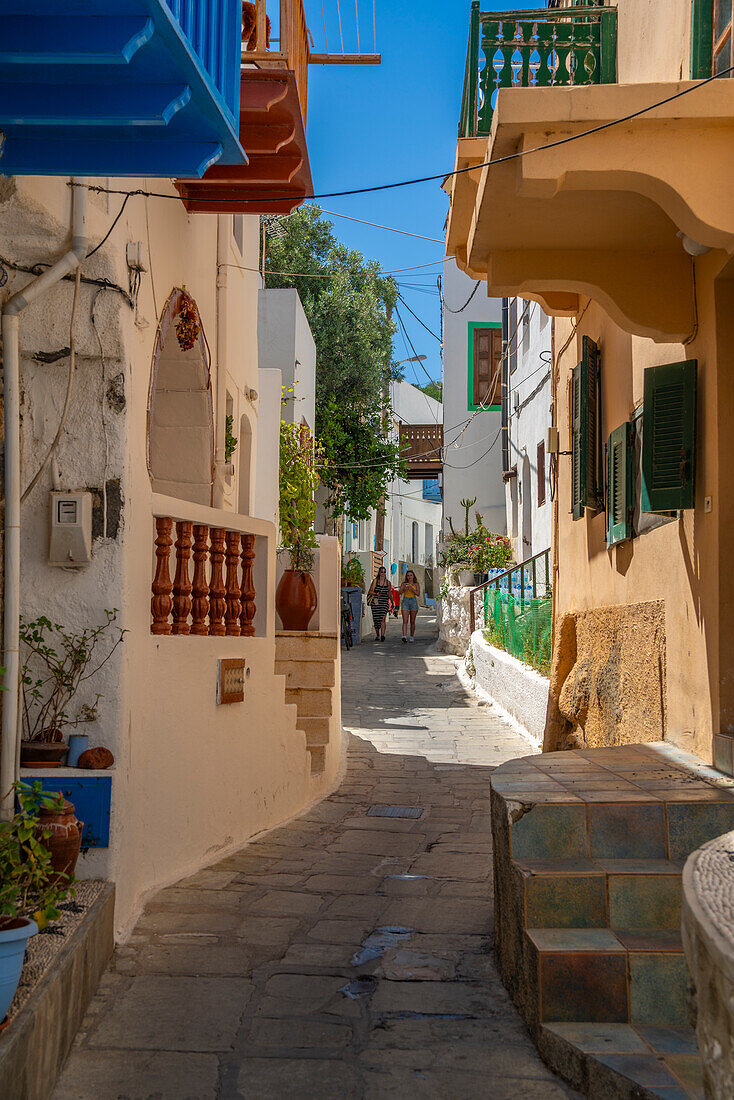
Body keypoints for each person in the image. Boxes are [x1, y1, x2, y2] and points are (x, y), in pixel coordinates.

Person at [367, 566, 391, 642]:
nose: (383, 573)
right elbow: (370, 591)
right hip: (376, 602)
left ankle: (383, 635)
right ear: (379, 573)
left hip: (384, 601)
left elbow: (389, 593)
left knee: (382, 619)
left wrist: (392, 602)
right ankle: (377, 634)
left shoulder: (388, 582)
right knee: (376, 619)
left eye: (384, 572)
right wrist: (376, 593)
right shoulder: (375, 581)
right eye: (382, 572)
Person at [400, 570, 420, 643]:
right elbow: (400, 592)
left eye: (411, 575)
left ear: (413, 576)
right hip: (405, 601)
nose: (409, 577)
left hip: (413, 601)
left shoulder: (416, 584)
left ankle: (411, 636)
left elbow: (418, 594)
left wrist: (412, 589)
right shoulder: (404, 584)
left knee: (412, 621)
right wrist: (404, 588)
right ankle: (404, 636)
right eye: (408, 575)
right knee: (405, 620)